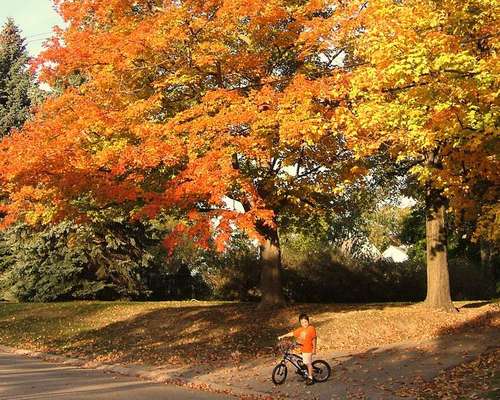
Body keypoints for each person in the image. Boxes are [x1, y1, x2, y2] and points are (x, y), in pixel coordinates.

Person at [278, 313, 317, 385]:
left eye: (305, 322)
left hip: (308, 349)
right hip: (302, 349)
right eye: (302, 322)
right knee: (298, 358)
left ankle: (311, 378)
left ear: (308, 321)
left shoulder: (311, 328)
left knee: (307, 363)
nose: (304, 324)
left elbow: (314, 339)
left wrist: (314, 349)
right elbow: (292, 333)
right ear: (300, 323)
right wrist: (283, 336)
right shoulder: (300, 329)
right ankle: (303, 371)